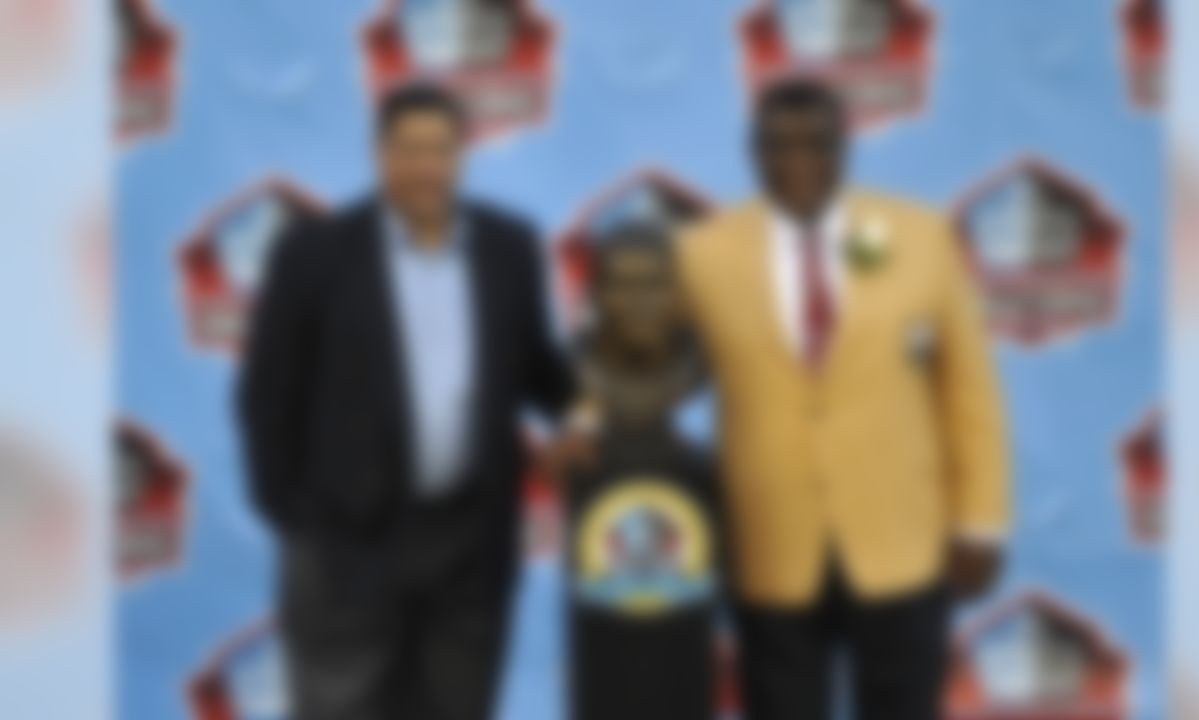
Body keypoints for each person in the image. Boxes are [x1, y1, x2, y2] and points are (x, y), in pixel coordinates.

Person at [675, 78, 1011, 720]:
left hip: (903, 545)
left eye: (816, 143)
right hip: (770, 547)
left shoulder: (919, 237)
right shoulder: (701, 252)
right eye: (778, 145)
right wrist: (586, 419)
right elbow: (640, 358)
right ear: (752, 153)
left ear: (846, 148)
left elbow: (969, 392)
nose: (798, 159)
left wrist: (981, 519)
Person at [236, 83, 575, 720]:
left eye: (440, 150)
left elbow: (536, 367)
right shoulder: (313, 253)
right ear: (379, 153)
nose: (426, 167)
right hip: (346, 544)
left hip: (472, 544)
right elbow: (267, 397)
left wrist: (587, 414)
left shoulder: (510, 249)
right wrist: (299, 523)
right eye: (409, 150)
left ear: (462, 155)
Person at [564, 224, 720, 720]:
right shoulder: (569, 375)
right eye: (623, 284)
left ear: (678, 295)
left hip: (685, 650)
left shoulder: (710, 370)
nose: (641, 300)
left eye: (655, 283)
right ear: (597, 295)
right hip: (601, 652)